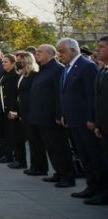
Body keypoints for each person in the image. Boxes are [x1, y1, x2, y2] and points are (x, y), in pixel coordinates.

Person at [56, 37, 102, 199]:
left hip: (85, 121)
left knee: (93, 156)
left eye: (62, 51)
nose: (59, 54)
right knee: (83, 156)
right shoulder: (66, 67)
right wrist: (63, 114)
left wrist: (91, 118)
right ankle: (91, 186)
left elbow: (92, 95)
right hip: (72, 119)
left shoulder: (87, 66)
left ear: (74, 50)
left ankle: (100, 190)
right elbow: (65, 94)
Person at [31, 44, 75, 188]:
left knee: (60, 147)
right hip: (41, 116)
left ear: (50, 54)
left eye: (39, 52)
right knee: (50, 147)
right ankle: (58, 172)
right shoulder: (42, 69)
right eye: (37, 52)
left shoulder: (57, 69)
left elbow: (59, 94)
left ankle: (68, 176)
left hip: (52, 117)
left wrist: (59, 114)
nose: (36, 54)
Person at [17, 51, 48, 175]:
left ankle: (40, 167)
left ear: (27, 61)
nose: (18, 62)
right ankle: (35, 166)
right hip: (24, 111)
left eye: (21, 60)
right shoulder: (22, 75)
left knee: (36, 141)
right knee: (32, 141)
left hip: (31, 111)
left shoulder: (34, 75)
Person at [89, 36, 108, 205]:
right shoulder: (102, 70)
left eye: (102, 47)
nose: (98, 49)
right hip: (102, 126)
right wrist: (97, 122)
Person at [0, 54, 20, 165]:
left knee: (13, 135)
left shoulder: (15, 75)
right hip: (3, 109)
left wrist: (14, 110)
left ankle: (15, 157)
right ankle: (6, 155)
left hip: (11, 109)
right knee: (5, 133)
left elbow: (15, 95)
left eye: (5, 62)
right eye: (2, 62)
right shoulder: (4, 74)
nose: (3, 64)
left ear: (13, 63)